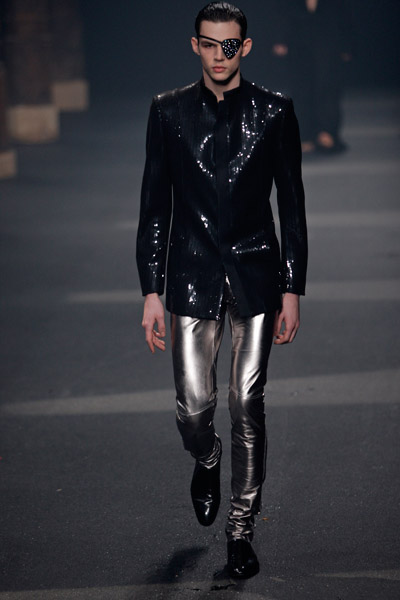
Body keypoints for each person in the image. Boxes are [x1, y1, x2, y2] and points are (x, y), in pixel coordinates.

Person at [136, 2, 307, 579]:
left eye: (228, 45)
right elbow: (154, 206)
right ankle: (206, 456)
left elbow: (292, 206)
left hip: (257, 272)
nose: (218, 55)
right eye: (208, 44)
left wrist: (292, 288)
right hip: (190, 274)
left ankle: (240, 529)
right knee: (192, 409)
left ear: (245, 47)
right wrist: (151, 290)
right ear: (195, 45)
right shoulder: (168, 112)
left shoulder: (274, 111)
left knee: (247, 403)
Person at [271, 0, 353, 154]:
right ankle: (305, 135)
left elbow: (344, 17)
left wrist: (346, 46)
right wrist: (280, 39)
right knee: (301, 89)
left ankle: (326, 132)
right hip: (298, 44)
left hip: (328, 44)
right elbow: (282, 14)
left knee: (327, 87)